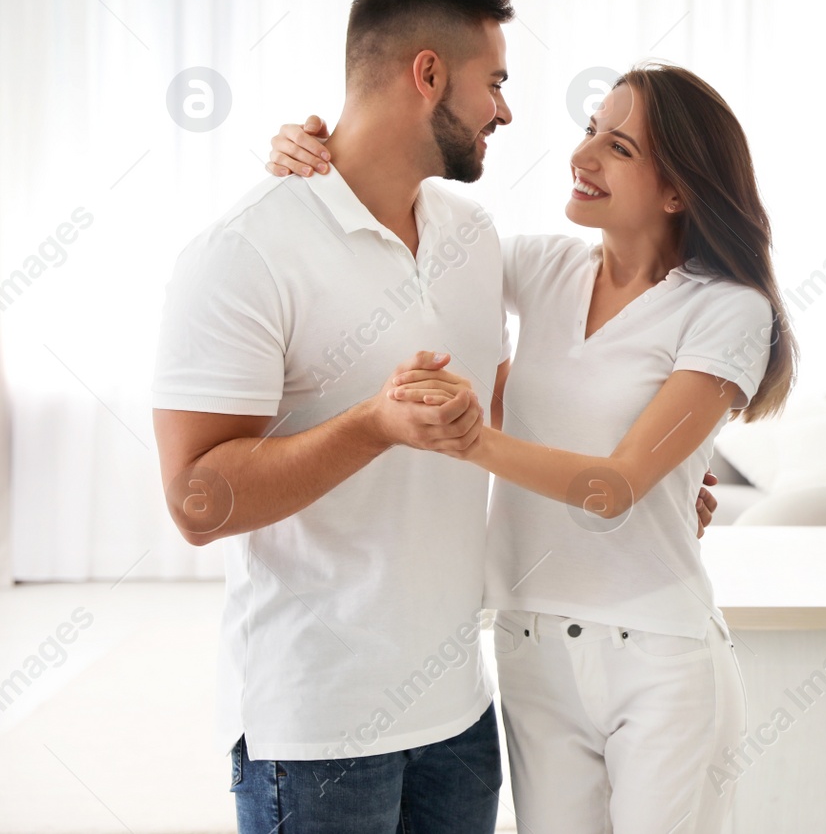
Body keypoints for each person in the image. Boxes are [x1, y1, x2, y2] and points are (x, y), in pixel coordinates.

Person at [266, 63, 795, 833]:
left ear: (679, 189)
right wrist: (316, 159)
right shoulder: (543, 266)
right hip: (530, 645)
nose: (582, 157)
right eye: (589, 132)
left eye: (617, 147)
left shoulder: (726, 310)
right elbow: (404, 229)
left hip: (659, 658)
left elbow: (614, 487)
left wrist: (474, 439)